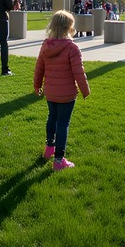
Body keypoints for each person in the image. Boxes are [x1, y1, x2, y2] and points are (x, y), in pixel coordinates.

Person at [34, 10, 90, 171]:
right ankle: (59, 160)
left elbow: (39, 68)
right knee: (62, 123)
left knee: (52, 118)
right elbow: (78, 72)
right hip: (67, 94)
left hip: (51, 91)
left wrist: (37, 85)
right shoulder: (72, 48)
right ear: (69, 27)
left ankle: (49, 147)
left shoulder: (46, 45)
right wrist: (85, 90)